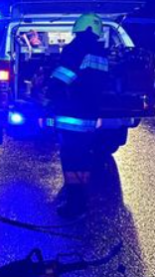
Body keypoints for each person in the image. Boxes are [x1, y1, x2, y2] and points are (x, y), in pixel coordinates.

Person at [46, 12, 109, 218]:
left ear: (81, 28)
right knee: (82, 158)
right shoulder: (100, 53)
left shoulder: (76, 48)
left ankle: (74, 204)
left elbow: (62, 77)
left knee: (70, 159)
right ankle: (81, 199)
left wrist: (48, 94)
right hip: (89, 116)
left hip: (71, 114)